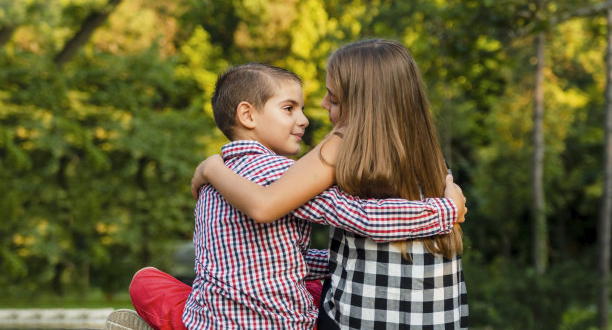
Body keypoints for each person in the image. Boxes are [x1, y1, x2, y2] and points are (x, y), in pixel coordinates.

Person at [123, 62, 465, 330]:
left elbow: (274, 261)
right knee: (325, 295)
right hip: (282, 321)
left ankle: (175, 322)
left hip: (214, 319)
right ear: (248, 115)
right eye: (289, 108)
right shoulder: (281, 175)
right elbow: (366, 216)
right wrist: (445, 210)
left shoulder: (217, 178)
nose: (303, 119)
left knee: (146, 281)